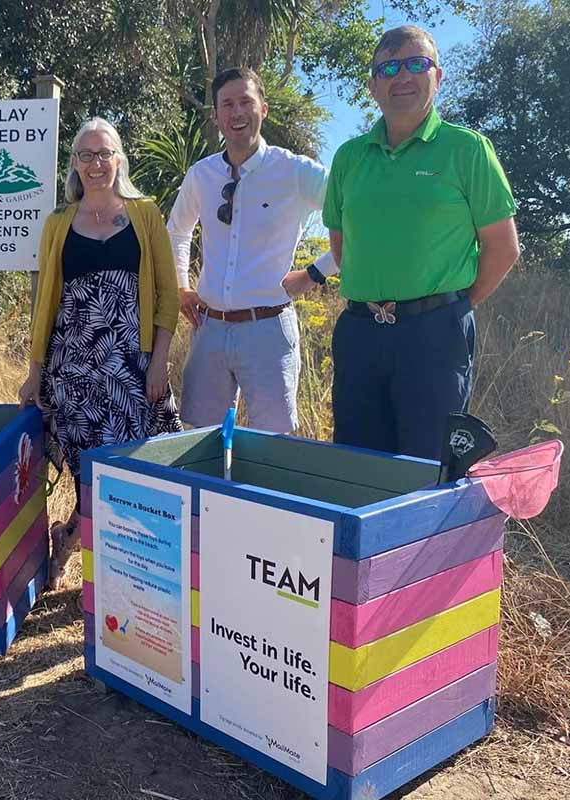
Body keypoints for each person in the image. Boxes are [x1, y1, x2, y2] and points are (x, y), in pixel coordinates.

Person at [310, 26, 519, 460]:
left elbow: (503, 248)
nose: (401, 76)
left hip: (434, 335)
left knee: (426, 469)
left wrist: (451, 308)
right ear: (373, 86)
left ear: (437, 77)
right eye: (388, 67)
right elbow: (341, 244)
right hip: (360, 333)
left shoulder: (468, 150)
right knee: (355, 465)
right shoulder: (348, 156)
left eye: (415, 64)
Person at [18, 118, 181, 584]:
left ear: (119, 158)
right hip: (75, 366)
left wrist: (160, 361)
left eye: (104, 153)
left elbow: (167, 297)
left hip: (130, 364)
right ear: (74, 163)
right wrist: (35, 371)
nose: (95, 163)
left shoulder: (145, 213)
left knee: (127, 470)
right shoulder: (58, 223)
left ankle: (94, 554)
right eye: (86, 155)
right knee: (89, 471)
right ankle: (84, 554)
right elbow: (45, 302)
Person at [168, 67, 336, 433]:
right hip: (209, 330)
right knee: (198, 442)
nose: (236, 112)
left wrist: (316, 272)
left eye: (246, 101)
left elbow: (357, 219)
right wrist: (181, 287)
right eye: (227, 104)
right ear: (215, 116)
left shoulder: (295, 171)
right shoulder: (202, 174)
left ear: (264, 108)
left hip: (269, 329)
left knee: (272, 449)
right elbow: (177, 231)